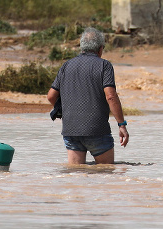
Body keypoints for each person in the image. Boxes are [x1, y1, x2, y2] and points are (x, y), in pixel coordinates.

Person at [47, 27, 129, 165]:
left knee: (77, 175)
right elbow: (111, 97)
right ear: (100, 48)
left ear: (81, 47)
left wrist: (64, 111)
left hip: (71, 130)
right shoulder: (104, 65)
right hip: (97, 129)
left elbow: (51, 96)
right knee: (106, 172)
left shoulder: (66, 65)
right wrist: (122, 125)